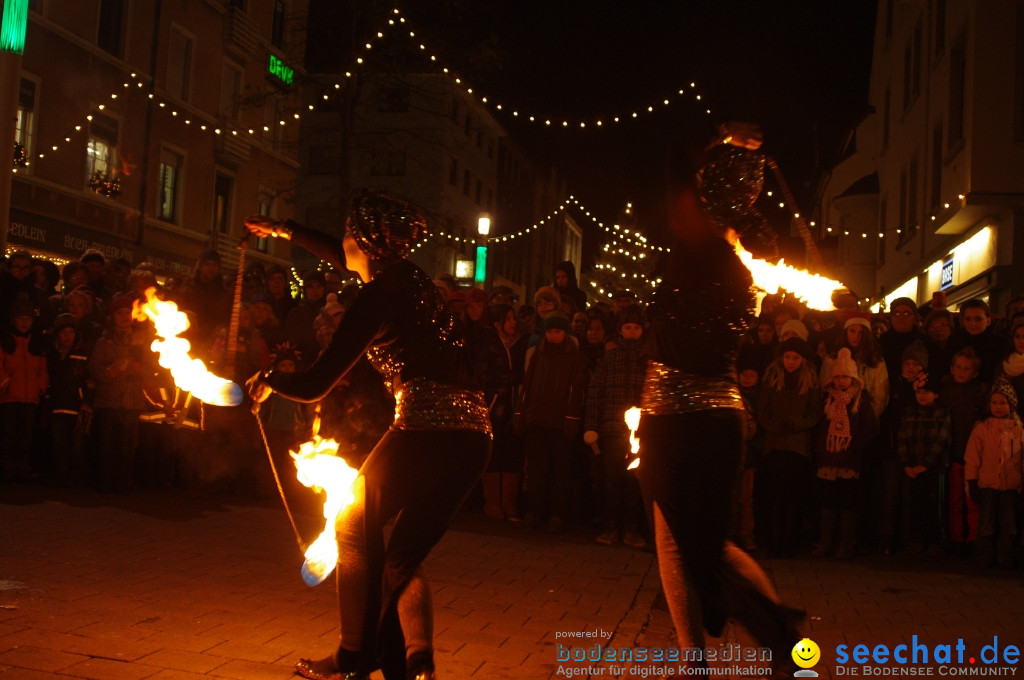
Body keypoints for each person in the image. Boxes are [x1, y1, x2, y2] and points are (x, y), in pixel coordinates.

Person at [244, 191, 491, 680]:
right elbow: (344, 256)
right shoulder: (411, 278)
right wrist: (285, 229)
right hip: (474, 439)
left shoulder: (378, 296)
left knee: (353, 521)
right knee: (400, 557)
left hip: (427, 428)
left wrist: (268, 379)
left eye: (348, 235)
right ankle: (412, 665)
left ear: (365, 243)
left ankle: (356, 654)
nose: (343, 246)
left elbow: (316, 384)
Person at [636, 123, 802, 675]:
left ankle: (717, 653)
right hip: (724, 415)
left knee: (681, 540)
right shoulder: (755, 252)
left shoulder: (698, 243)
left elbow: (670, 164)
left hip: (676, 415)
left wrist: (713, 138)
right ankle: (773, 634)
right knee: (708, 539)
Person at [583, 304, 647, 547]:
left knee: (634, 481)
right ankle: (610, 526)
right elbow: (595, 393)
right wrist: (592, 426)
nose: (631, 332)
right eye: (627, 327)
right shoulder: (609, 358)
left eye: (636, 328)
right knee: (611, 480)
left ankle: (631, 527)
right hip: (611, 429)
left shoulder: (647, 360)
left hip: (640, 432)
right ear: (620, 330)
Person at [758, 337, 823, 556]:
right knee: (774, 496)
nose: (791, 362)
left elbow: (814, 413)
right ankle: (773, 541)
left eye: (795, 358)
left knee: (793, 497)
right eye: (787, 357)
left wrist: (796, 423)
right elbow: (762, 410)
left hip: (797, 447)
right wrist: (775, 424)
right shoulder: (772, 378)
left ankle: (789, 542)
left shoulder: (810, 381)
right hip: (774, 445)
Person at [812, 348, 877, 559]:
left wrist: (855, 446)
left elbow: (869, 430)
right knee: (827, 503)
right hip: (828, 461)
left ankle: (846, 545)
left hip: (850, 461)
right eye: (838, 377)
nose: (841, 381)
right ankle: (825, 542)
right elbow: (820, 429)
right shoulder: (827, 401)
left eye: (845, 377)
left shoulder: (861, 402)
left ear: (853, 379)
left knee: (848, 503)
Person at [964, 379, 1024, 568]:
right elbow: (972, 457)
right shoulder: (982, 428)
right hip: (988, 483)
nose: (998, 407)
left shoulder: (1018, 430)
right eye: (995, 402)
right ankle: (984, 554)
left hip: (1011, 485)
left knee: (1009, 522)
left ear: (1011, 405)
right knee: (986, 521)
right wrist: (971, 481)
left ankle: (1006, 555)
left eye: (1003, 403)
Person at [896, 372, 951, 560]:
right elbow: (902, 438)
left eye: (927, 391)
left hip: (934, 470)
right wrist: (906, 464)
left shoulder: (942, 413)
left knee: (935, 508)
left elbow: (942, 441)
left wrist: (926, 464)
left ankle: (937, 543)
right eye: (919, 391)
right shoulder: (909, 412)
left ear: (936, 394)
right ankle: (915, 541)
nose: (922, 395)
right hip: (912, 470)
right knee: (914, 507)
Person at [941, 348, 987, 557]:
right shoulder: (945, 391)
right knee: (954, 500)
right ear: (951, 369)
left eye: (966, 369)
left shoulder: (980, 394)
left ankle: (974, 539)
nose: (961, 372)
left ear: (974, 372)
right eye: (958, 368)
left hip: (974, 456)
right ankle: (957, 538)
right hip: (953, 452)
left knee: (972, 499)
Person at [0, 294, 48, 481]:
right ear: (13, 320)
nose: (24, 322)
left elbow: (42, 369)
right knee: (8, 435)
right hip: (9, 397)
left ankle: (21, 468)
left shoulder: (36, 343)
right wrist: (5, 383)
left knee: (26, 435)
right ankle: (7, 469)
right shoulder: (6, 341)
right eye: (21, 318)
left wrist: (40, 386)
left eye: (28, 319)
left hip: (30, 397)